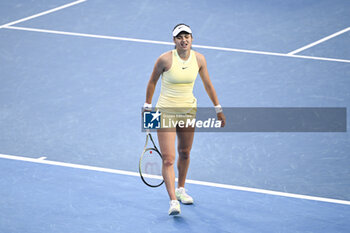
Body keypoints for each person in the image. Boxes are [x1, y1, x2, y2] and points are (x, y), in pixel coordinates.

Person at [143, 23, 226, 215]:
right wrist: (147, 108)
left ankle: (181, 189)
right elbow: (152, 82)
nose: (184, 40)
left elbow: (208, 85)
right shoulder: (164, 59)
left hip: (188, 112)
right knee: (168, 159)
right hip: (164, 112)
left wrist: (218, 109)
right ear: (174, 40)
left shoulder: (199, 59)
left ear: (192, 38)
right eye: (179, 37)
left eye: (187, 36)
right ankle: (173, 201)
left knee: (185, 152)